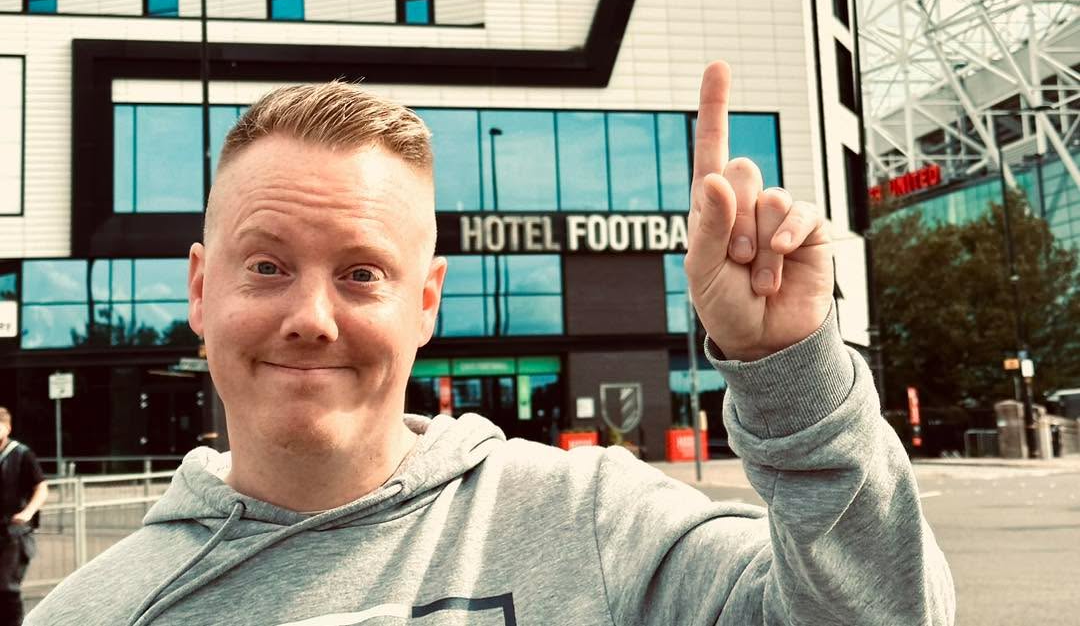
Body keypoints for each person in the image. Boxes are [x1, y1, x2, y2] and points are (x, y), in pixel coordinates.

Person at [28, 63, 955, 624]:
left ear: (426, 301)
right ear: (200, 287)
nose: (311, 315)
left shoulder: (591, 525)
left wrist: (791, 372)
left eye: (361, 272)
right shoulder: (97, 612)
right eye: (267, 266)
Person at [0, 407, 48, 626]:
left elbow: (41, 487)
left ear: (7, 427)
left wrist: (28, 512)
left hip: (14, 533)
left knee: (6, 586)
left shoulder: (21, 454)